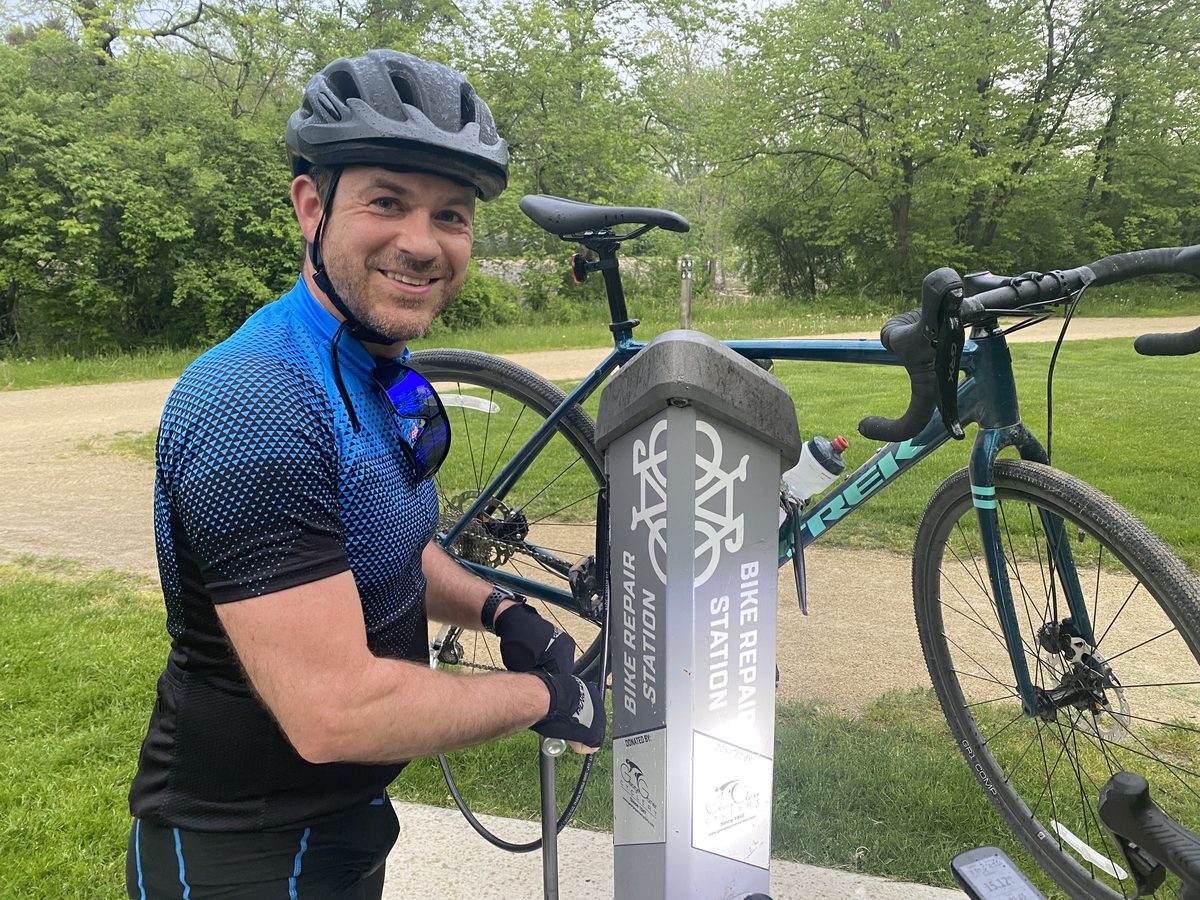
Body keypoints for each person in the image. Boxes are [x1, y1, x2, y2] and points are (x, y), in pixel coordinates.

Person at [125, 49, 604, 899]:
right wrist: (539, 697)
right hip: (245, 848)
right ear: (312, 205)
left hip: (338, 824)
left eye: (451, 216)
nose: (421, 244)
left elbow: (387, 542)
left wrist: (502, 610)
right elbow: (336, 710)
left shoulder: (375, 365)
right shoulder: (257, 406)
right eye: (388, 202)